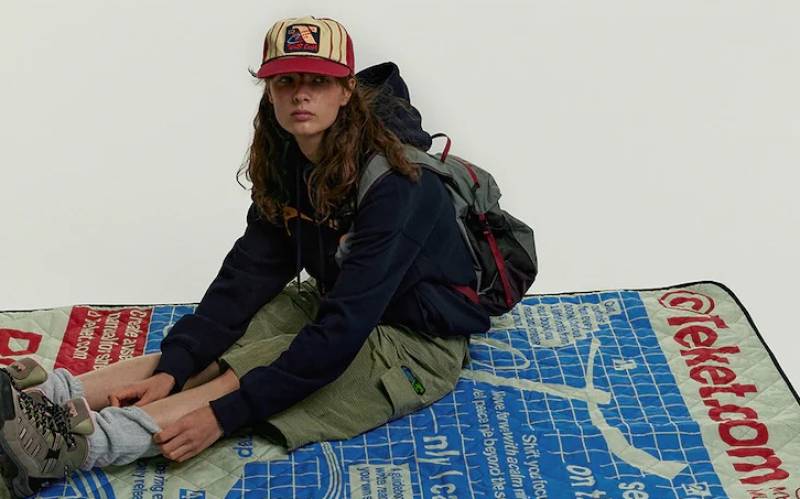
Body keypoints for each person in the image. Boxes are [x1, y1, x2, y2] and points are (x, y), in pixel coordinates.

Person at [0, 14, 490, 497]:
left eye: (317, 81)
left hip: (415, 340)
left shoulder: (400, 186)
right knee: (225, 344)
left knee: (254, 366)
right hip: (338, 296)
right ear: (269, 91)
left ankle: (70, 446)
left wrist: (223, 417)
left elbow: (341, 332)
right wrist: (175, 367)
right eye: (286, 81)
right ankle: (38, 397)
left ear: (346, 91)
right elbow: (244, 281)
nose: (300, 94)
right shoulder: (291, 162)